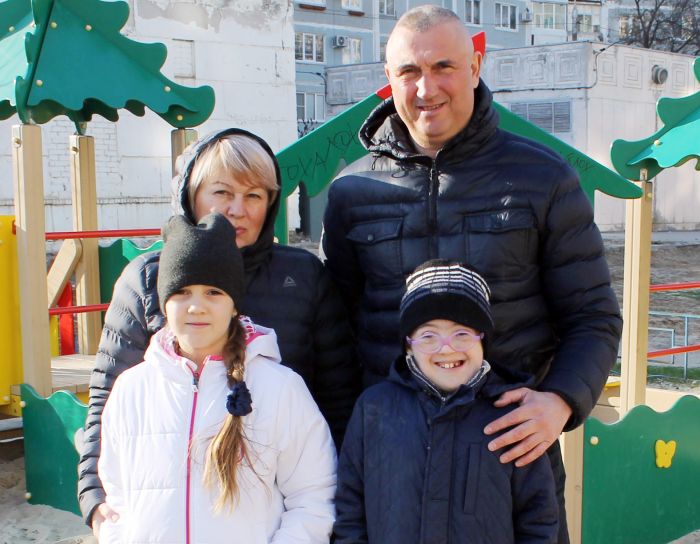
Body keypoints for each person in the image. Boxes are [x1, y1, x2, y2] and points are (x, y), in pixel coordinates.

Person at [321, 6, 622, 542]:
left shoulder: (542, 179)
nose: (426, 88)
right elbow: (335, 331)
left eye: (444, 67)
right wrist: (353, 437)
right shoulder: (352, 192)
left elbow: (593, 315)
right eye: (409, 72)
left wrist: (559, 401)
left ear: (476, 67)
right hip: (391, 462)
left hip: (510, 456)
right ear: (388, 80)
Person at [80, 128, 358, 534]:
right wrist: (94, 494)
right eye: (222, 193)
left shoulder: (302, 277)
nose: (237, 210)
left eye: (254, 196)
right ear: (191, 196)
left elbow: (337, 399)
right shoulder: (148, 279)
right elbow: (110, 398)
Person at [97, 213, 336, 543]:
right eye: (182, 291)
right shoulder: (131, 390)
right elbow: (118, 500)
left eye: (213, 292)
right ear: (164, 303)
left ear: (234, 304)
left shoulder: (280, 389)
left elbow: (313, 498)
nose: (196, 307)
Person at [334, 260, 558, 543]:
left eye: (462, 333)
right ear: (408, 346)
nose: (446, 348)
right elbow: (350, 510)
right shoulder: (374, 409)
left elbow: (538, 520)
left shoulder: (513, 416)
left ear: (483, 341)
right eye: (428, 335)